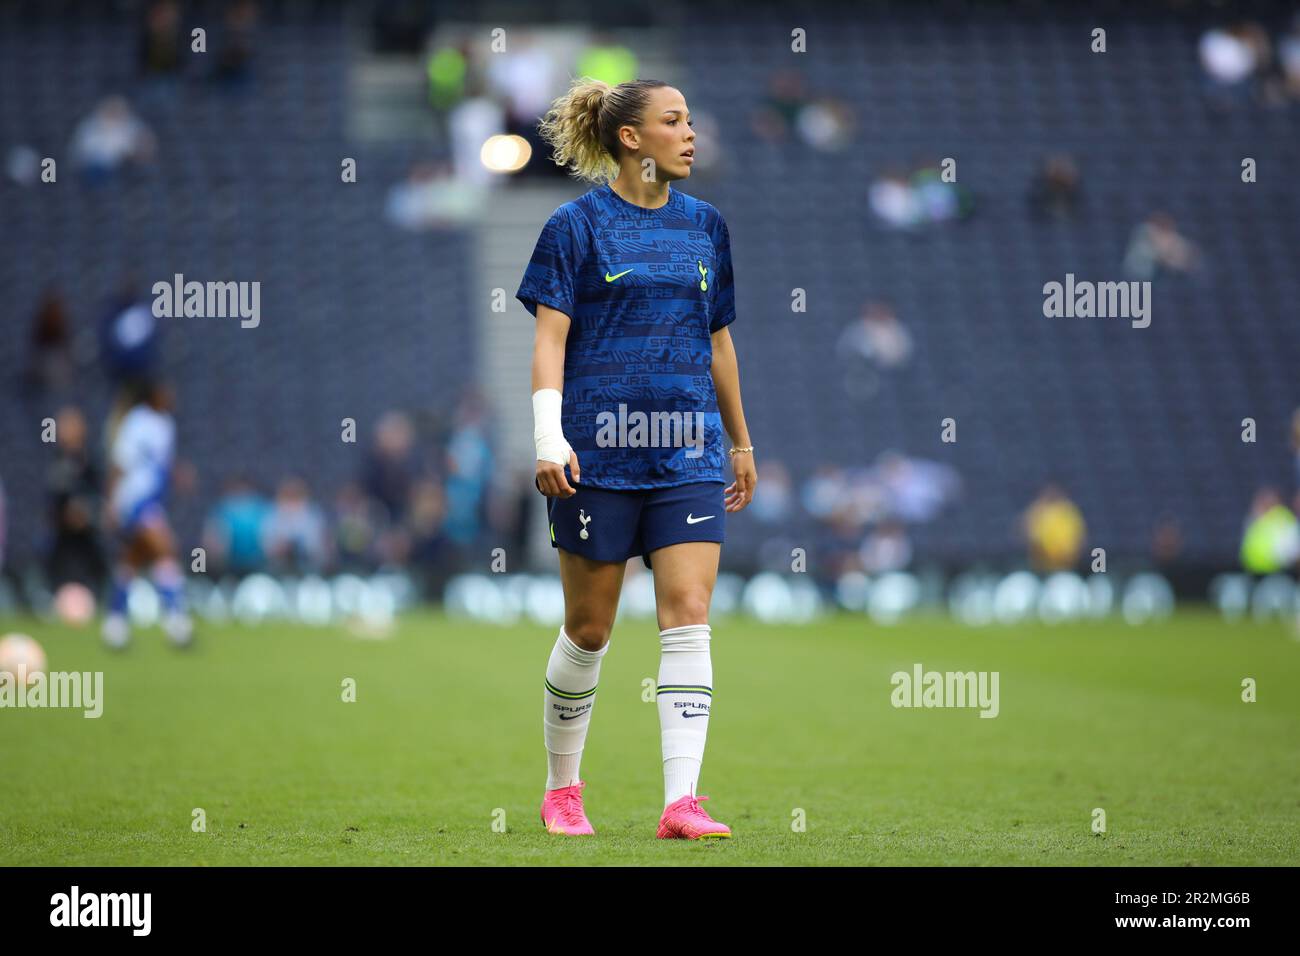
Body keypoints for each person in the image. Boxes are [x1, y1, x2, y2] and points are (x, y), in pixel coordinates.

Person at [516, 77, 756, 840]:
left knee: (687, 616)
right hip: (598, 455)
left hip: (687, 451)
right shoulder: (574, 225)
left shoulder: (706, 226)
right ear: (631, 138)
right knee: (590, 629)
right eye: (675, 120)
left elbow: (719, 343)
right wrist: (549, 436)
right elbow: (548, 337)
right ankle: (563, 789)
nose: (691, 134)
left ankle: (681, 801)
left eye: (690, 120)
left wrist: (741, 442)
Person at [101, 380, 192, 648]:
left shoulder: (165, 424)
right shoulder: (137, 422)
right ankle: (177, 624)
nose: (171, 394)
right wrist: (112, 502)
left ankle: (114, 626)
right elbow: (121, 462)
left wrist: (177, 474)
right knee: (166, 550)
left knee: (132, 561)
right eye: (165, 390)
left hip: (152, 500)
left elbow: (158, 462)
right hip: (135, 500)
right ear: (152, 394)